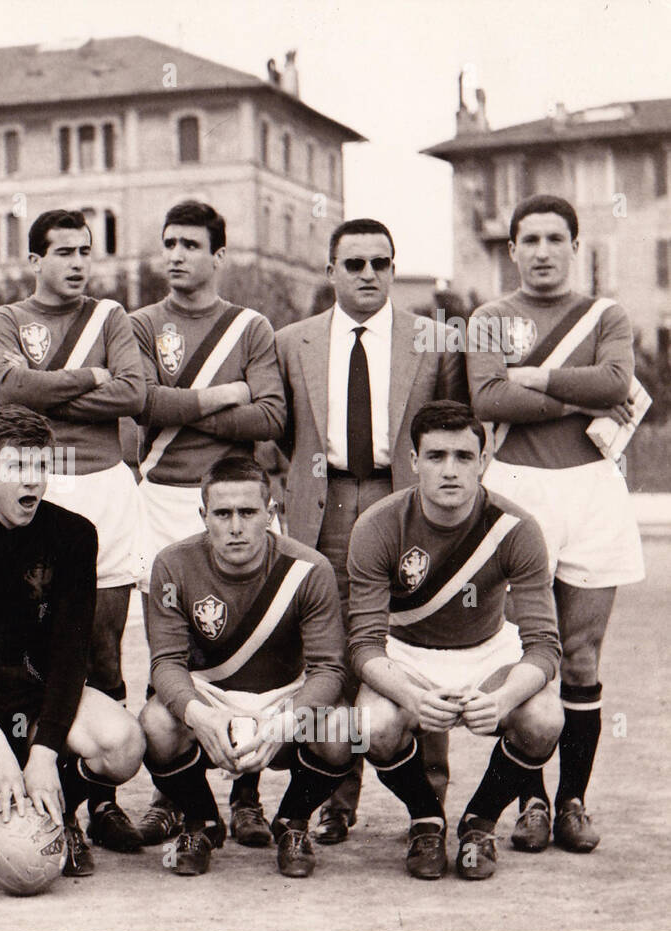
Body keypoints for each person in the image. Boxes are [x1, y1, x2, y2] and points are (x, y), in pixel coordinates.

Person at [274, 217, 467, 844]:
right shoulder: (292, 341)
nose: (367, 274)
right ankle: (333, 794)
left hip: (403, 498)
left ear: (392, 267)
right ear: (330, 270)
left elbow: (454, 425)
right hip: (324, 500)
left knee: (415, 635)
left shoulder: (434, 341)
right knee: (331, 643)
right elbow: (277, 433)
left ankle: (429, 799)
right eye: (352, 263)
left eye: (379, 263)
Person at [467, 194, 644, 854]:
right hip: (516, 489)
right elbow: (487, 397)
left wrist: (535, 376)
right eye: (529, 240)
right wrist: (578, 387)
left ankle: (573, 801)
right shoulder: (490, 316)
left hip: (593, 489)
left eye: (554, 239)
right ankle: (531, 802)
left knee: (582, 654)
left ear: (575, 245)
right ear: (512, 250)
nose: (541, 251)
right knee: (525, 655)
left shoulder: (608, 314)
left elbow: (618, 384)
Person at [0, 406, 145, 880]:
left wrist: (44, 755)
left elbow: (71, 652)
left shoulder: (74, 535)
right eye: (16, 467)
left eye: (41, 466)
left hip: (40, 695)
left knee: (124, 744)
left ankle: (60, 808)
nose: (32, 481)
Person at [0, 209, 146, 854]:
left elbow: (134, 392)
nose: (79, 263)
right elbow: (8, 392)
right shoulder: (6, 320)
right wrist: (89, 379)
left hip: (104, 487)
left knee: (101, 647)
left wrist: (48, 394)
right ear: (35, 261)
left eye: (86, 251)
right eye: (64, 252)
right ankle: (39, 789)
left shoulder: (113, 318)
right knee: (32, 639)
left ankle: (96, 802)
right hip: (38, 483)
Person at [349, 400, 563, 879]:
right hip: (407, 654)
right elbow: (364, 644)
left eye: (464, 457)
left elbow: (544, 645)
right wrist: (412, 696)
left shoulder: (517, 527)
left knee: (545, 716)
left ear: (483, 462)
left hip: (489, 653)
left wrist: (505, 696)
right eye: (436, 456)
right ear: (413, 462)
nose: (451, 471)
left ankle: (480, 820)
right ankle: (426, 818)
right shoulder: (378, 525)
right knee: (371, 723)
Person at [130, 200, 286, 848]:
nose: (176, 254)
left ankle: (246, 792)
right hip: (162, 496)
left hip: (233, 503)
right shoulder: (138, 324)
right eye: (169, 242)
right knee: (168, 646)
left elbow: (272, 416)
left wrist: (184, 410)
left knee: (240, 642)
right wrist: (226, 396)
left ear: (218, 255)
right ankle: (176, 793)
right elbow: (140, 400)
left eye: (191, 244)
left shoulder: (250, 327)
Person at [141, 455, 356, 878]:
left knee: (345, 728)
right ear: (204, 516)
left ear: (270, 514)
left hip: (282, 699)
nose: (236, 526)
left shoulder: (309, 569)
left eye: (248, 512)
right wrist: (200, 716)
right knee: (155, 723)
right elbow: (165, 663)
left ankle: (293, 822)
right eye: (222, 513)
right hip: (212, 697)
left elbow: (329, 669)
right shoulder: (172, 564)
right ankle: (201, 822)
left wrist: (287, 722)